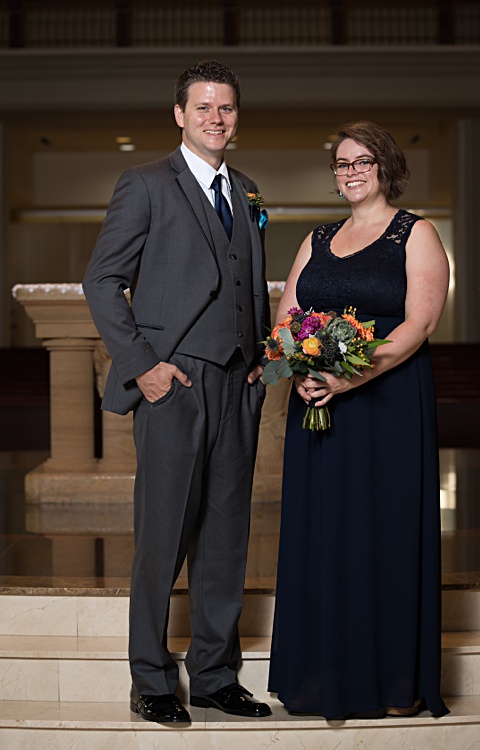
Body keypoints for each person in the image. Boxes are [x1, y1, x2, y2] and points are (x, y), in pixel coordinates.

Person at [82, 60, 272, 724]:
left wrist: (259, 364)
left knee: (226, 536)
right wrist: (144, 367)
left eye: (226, 108)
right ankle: (152, 680)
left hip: (236, 384)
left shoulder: (246, 190)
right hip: (175, 382)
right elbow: (102, 282)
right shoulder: (144, 184)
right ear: (179, 115)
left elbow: (253, 284)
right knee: (162, 536)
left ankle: (216, 673)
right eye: (203, 107)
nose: (216, 118)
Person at [266, 120, 451, 720]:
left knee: (384, 537)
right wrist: (298, 367)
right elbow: (286, 318)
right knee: (323, 537)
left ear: (385, 167)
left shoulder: (414, 233)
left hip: (386, 409)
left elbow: (418, 326)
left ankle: (393, 680)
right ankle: (321, 675)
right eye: (341, 165)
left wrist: (349, 377)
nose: (349, 173)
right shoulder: (317, 240)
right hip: (317, 406)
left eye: (360, 162)